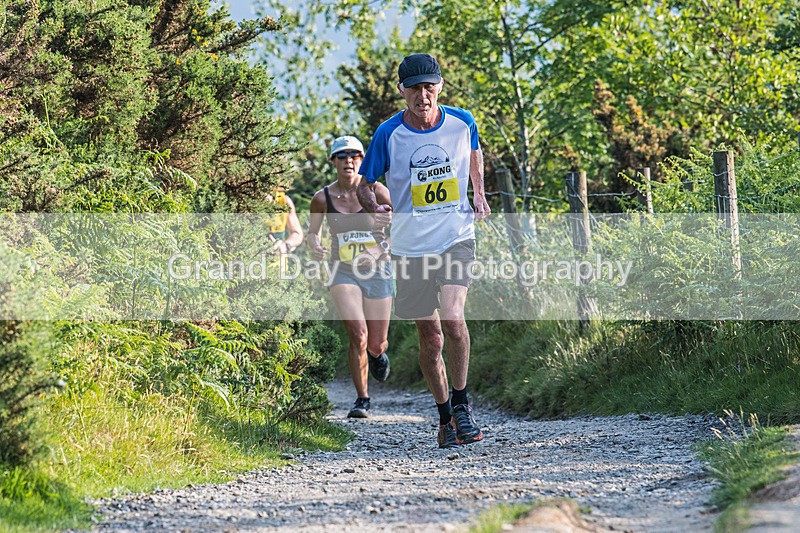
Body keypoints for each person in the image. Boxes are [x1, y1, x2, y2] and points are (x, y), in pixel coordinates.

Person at [357, 53, 491, 448]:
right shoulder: (388, 133)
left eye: (429, 87)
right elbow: (365, 185)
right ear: (401, 92)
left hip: (455, 235)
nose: (422, 95)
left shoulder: (462, 121)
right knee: (430, 338)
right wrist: (374, 206)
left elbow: (475, 154)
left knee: (452, 318)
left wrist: (478, 193)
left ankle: (463, 405)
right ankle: (445, 416)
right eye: (414, 89)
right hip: (410, 247)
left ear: (440, 87)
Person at [307, 135, 393, 419]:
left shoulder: (378, 191)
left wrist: (380, 248)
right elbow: (312, 233)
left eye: (355, 155)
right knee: (358, 334)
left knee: (376, 342)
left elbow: (402, 228)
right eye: (342, 156)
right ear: (333, 161)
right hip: (342, 270)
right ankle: (362, 399)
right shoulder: (323, 198)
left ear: (363, 159)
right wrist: (316, 246)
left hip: (378, 269)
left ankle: (378, 355)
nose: (349, 161)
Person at [266, 188, 304, 255]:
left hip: (279, 262)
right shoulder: (245, 202)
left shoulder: (284, 201)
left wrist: (286, 245)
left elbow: (298, 234)